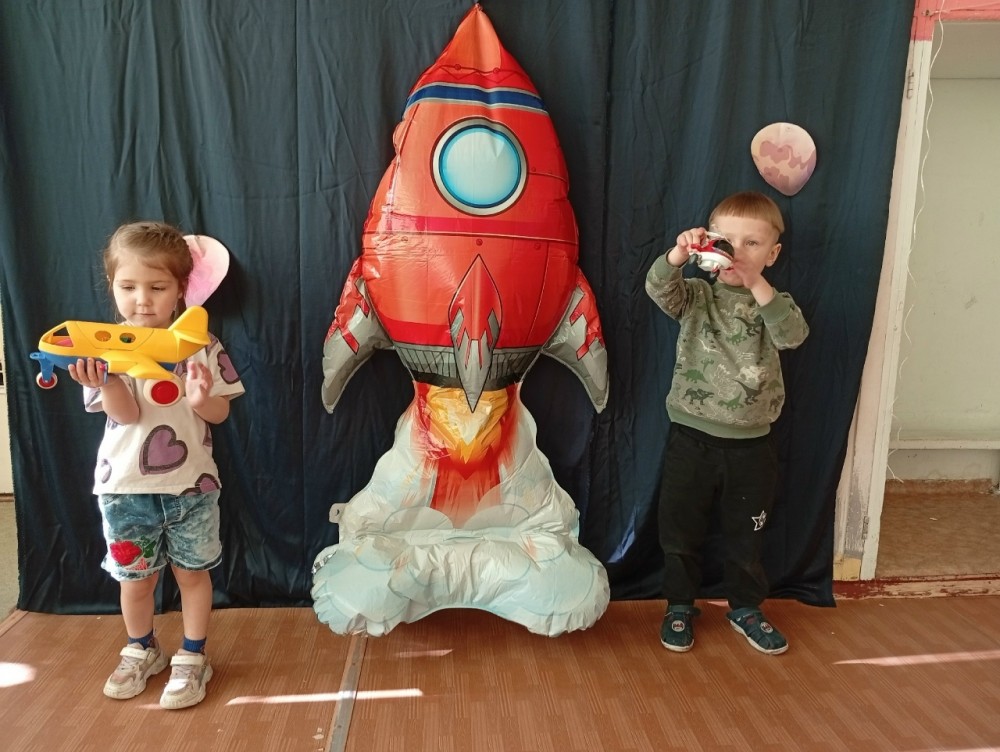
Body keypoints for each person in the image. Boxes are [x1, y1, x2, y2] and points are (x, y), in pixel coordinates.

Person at [67, 221, 244, 707]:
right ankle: (141, 648)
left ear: (181, 288)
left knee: (192, 575)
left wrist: (202, 398)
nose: (142, 300)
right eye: (128, 287)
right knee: (136, 579)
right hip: (124, 488)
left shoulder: (202, 344)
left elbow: (221, 413)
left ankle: (193, 655)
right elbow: (126, 415)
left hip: (192, 486)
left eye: (157, 287)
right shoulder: (101, 346)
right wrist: (107, 381)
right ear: (112, 286)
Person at [644, 191, 808, 655]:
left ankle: (746, 608)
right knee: (679, 531)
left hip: (751, 446)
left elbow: (792, 336)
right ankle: (679, 604)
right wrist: (679, 254)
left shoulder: (775, 303)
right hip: (690, 438)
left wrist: (755, 282)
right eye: (727, 240)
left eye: (752, 244)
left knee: (746, 537)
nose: (737, 252)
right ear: (710, 244)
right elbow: (658, 288)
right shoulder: (697, 296)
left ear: (772, 254)